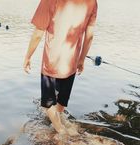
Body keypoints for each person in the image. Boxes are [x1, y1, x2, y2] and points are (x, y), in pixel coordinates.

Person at [23, 0, 98, 134]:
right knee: (61, 100)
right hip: (72, 62)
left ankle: (61, 132)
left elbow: (38, 33)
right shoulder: (92, 1)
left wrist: (28, 56)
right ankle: (61, 122)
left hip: (52, 62)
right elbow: (89, 36)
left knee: (48, 104)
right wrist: (81, 59)